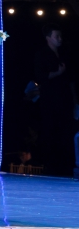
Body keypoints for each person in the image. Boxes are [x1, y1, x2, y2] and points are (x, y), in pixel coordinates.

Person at [34, 26, 77, 177]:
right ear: (48, 38)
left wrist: (74, 98)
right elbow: (40, 76)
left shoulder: (64, 54)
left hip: (65, 99)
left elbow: (71, 79)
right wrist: (58, 73)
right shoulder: (42, 55)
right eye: (56, 36)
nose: (60, 39)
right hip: (50, 100)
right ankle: (51, 165)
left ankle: (66, 165)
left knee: (66, 132)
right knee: (51, 131)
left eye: (60, 36)